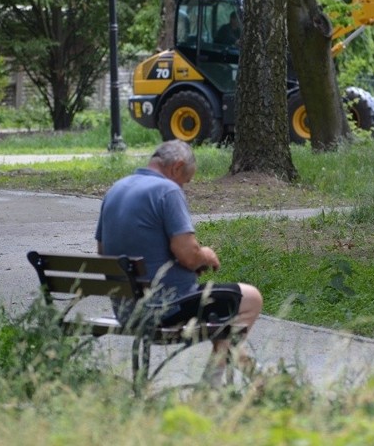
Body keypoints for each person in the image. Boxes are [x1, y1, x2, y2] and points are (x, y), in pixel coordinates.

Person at [95, 139, 262, 385]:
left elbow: (103, 251)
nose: (183, 187)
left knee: (221, 312)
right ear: (177, 167)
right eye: (185, 180)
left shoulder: (116, 189)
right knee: (249, 298)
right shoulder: (167, 190)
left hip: (126, 310)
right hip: (165, 308)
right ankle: (211, 388)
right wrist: (206, 255)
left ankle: (258, 379)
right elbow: (188, 254)